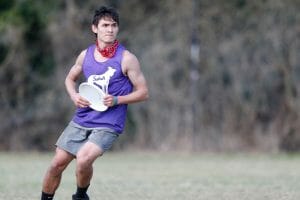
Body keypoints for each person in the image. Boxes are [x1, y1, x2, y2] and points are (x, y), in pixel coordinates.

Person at [41, 6, 148, 200]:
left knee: (83, 159)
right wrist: (74, 96)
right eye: (105, 25)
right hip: (82, 118)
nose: (110, 29)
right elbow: (69, 79)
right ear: (95, 28)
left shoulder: (127, 59)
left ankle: (80, 196)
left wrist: (117, 100)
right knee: (57, 164)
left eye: (114, 25)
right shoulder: (85, 55)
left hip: (109, 123)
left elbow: (143, 93)